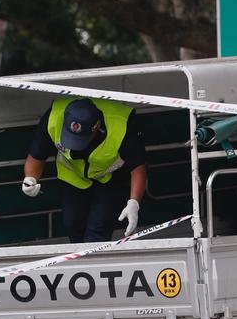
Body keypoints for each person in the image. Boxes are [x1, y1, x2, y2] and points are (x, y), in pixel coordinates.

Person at [21, 98, 147, 243]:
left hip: (110, 179)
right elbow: (36, 155)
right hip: (73, 177)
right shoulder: (54, 118)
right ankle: (81, 263)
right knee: (72, 224)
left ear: (97, 125)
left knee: (97, 232)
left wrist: (134, 203)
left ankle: (94, 263)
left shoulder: (121, 125)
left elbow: (138, 168)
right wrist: (30, 178)